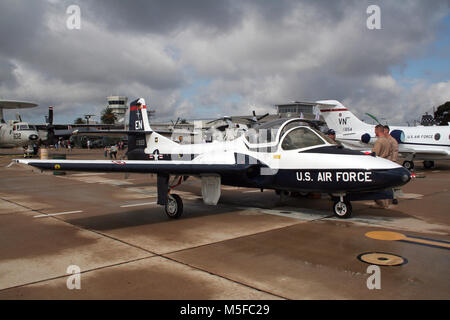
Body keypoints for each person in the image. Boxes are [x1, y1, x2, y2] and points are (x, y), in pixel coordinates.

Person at [372, 124, 393, 208]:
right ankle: (386, 203)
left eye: (375, 130)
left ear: (378, 130)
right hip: (386, 163)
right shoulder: (387, 140)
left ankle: (381, 204)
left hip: (379, 165)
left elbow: (375, 154)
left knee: (377, 186)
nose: (374, 132)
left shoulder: (379, 141)